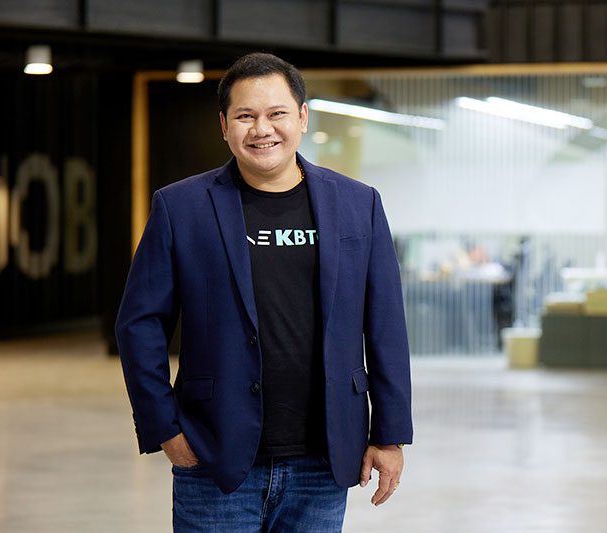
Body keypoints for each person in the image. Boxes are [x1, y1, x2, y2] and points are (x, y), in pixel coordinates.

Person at [115, 52, 413, 532]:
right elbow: (139, 324)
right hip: (214, 455)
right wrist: (163, 428)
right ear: (224, 125)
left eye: (277, 114)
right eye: (245, 116)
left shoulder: (359, 204)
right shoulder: (181, 207)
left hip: (324, 459)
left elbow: (386, 327)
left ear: (302, 117)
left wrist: (390, 434)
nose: (262, 129)